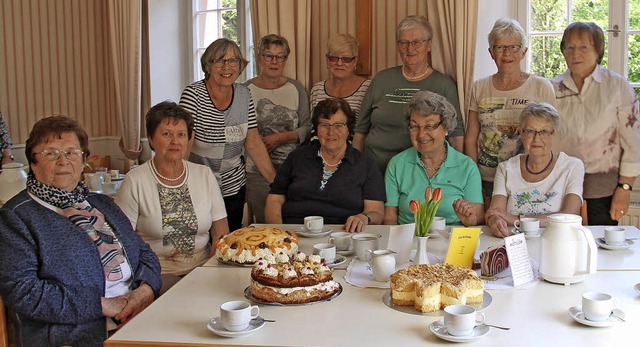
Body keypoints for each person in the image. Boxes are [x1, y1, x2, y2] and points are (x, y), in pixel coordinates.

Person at [0, 116, 161, 346]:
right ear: (33, 162)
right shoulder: (17, 216)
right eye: (50, 153)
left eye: (72, 152)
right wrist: (101, 305)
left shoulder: (100, 202)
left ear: (83, 159)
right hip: (74, 336)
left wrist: (144, 292)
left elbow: (143, 252)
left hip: (135, 320)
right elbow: (24, 292)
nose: (63, 161)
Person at [115, 102, 229, 288]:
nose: (175, 141)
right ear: (151, 139)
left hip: (203, 269)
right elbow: (122, 240)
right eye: (166, 134)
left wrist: (212, 268)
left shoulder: (204, 174)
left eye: (181, 135)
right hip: (156, 276)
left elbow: (220, 231)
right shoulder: (135, 180)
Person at [180, 38, 276, 231]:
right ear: (208, 64)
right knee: (201, 243)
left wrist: (275, 181)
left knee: (229, 244)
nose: (227, 67)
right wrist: (177, 186)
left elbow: (253, 142)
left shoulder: (243, 94)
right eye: (220, 60)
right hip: (199, 186)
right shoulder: (194, 94)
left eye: (233, 61)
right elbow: (183, 143)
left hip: (233, 186)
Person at [551, 22, 640, 225]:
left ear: (598, 50)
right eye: (570, 47)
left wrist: (624, 189)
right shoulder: (552, 88)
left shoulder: (617, 87)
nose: (575, 54)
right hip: (559, 188)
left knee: (600, 251)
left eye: (584, 47)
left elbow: (634, 143)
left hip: (604, 191)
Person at [353, 15, 465, 172]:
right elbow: (361, 129)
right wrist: (354, 168)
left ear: (429, 45)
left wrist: (456, 172)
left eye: (417, 42)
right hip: (374, 169)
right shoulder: (381, 79)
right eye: (403, 43)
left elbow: (456, 134)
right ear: (398, 47)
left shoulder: (443, 84)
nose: (410, 49)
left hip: (420, 173)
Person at [464, 18, 556, 204]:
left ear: (524, 52)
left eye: (514, 47)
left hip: (527, 177)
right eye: (499, 47)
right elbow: (471, 138)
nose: (506, 53)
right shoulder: (479, 87)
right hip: (487, 179)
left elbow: (552, 136)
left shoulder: (541, 87)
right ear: (491, 52)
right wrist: (474, 182)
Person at [264, 98, 385, 233]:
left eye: (338, 125)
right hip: (294, 233)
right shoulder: (297, 157)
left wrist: (364, 217)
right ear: (316, 129)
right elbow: (274, 199)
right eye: (324, 125)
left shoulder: (366, 165)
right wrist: (278, 234)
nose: (331, 132)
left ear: (349, 129)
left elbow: (376, 212)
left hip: (343, 235)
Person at [384, 91, 484, 227]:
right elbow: (390, 218)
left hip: (451, 241)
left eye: (429, 126)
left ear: (446, 127)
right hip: (409, 240)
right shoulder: (397, 164)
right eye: (414, 126)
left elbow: (477, 217)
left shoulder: (467, 167)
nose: (421, 134)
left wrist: (470, 220)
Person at [486, 103, 585, 237]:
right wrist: (496, 221)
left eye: (544, 132)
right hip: (514, 243)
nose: (536, 139)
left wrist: (517, 220)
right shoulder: (505, 169)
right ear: (521, 133)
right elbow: (495, 213)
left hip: (556, 242)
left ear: (553, 134)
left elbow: (569, 216)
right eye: (530, 131)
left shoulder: (572, 167)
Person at [243, 34, 311, 223]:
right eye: (268, 56)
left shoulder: (296, 88)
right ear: (259, 58)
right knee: (266, 225)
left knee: (294, 222)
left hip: (293, 170)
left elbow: (307, 126)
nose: (274, 61)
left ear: (286, 60)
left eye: (280, 56)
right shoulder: (244, 90)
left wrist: (282, 137)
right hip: (256, 172)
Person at [310, 34, 370, 117]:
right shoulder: (317, 89)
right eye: (334, 58)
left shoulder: (368, 88)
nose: (339, 63)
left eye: (346, 59)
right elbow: (313, 125)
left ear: (355, 61)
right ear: (327, 59)